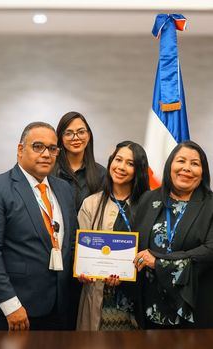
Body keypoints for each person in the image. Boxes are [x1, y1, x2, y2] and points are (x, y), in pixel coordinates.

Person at [0, 121, 78, 331]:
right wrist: (11, 306)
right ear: (20, 150)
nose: (46, 154)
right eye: (38, 146)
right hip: (14, 310)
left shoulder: (64, 188)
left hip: (59, 307)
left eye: (52, 148)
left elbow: (70, 242)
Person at [132, 141, 213, 329]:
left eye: (195, 163)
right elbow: (135, 244)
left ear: (203, 172)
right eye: (181, 161)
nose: (187, 168)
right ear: (170, 165)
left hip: (198, 307)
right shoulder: (148, 198)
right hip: (152, 307)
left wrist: (160, 261)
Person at [76, 141, 150, 331]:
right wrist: (82, 272)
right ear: (110, 162)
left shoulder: (149, 205)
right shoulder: (91, 204)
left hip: (139, 299)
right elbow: (79, 251)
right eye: (118, 160)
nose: (121, 167)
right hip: (100, 299)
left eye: (130, 163)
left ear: (139, 170)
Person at [54, 111, 105, 209]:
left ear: (89, 135)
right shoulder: (49, 171)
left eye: (81, 132)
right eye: (68, 133)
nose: (76, 138)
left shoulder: (101, 174)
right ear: (60, 138)